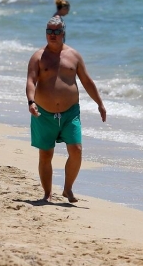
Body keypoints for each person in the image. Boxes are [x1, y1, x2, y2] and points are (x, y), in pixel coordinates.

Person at [25, 16, 106, 203]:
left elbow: (87, 81)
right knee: (46, 153)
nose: (52, 35)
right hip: (43, 113)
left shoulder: (74, 55)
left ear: (63, 32)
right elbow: (30, 81)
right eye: (49, 31)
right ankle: (47, 193)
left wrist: (100, 103)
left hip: (70, 113)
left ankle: (68, 189)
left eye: (56, 31)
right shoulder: (38, 56)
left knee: (76, 149)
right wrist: (31, 102)